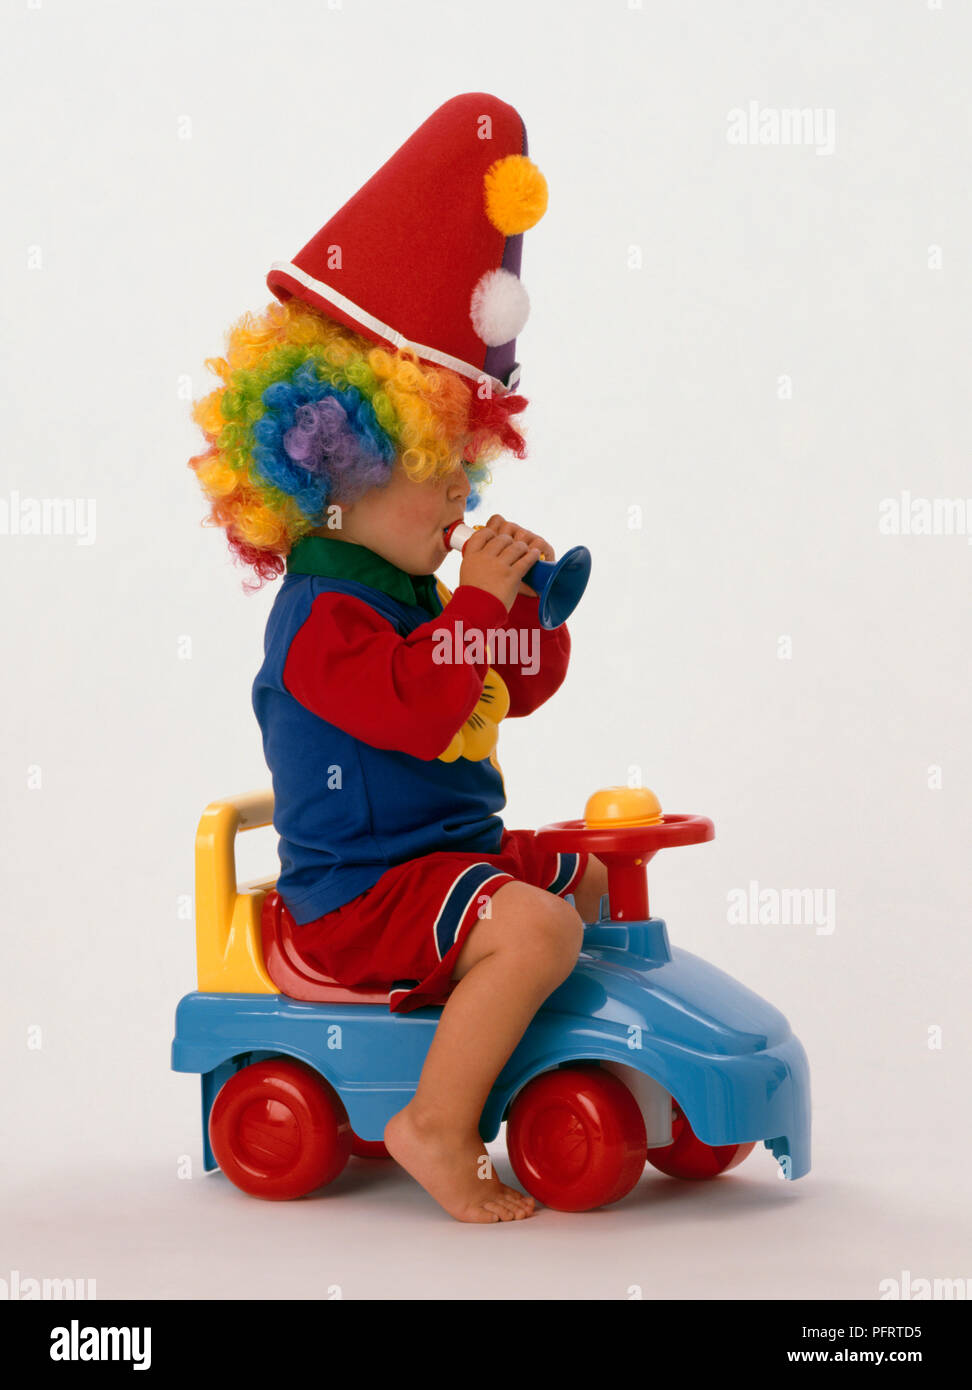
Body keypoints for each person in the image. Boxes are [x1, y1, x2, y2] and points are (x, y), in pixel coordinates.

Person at [187, 93, 607, 1221]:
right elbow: (418, 714)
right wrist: (473, 604)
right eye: (441, 468)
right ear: (342, 457)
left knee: (586, 878)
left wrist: (530, 613)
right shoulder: (324, 617)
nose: (462, 495)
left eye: (469, 470)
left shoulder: (422, 590)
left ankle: (550, 1071)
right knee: (530, 922)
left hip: (438, 859)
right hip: (362, 891)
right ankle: (434, 1120)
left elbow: (512, 690)